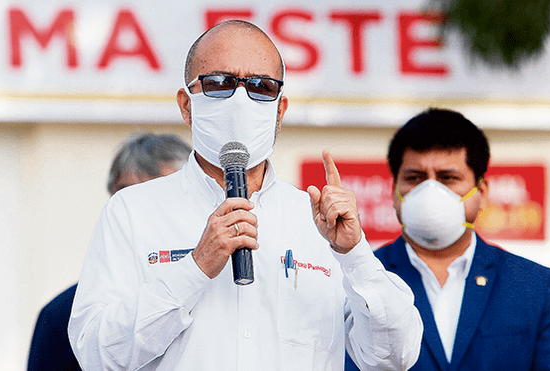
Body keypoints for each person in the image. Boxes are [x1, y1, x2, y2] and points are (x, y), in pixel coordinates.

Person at [68, 20, 422, 371]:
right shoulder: (132, 211)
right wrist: (194, 269)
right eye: (219, 83)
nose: (240, 100)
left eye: (261, 86)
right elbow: (97, 355)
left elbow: (394, 357)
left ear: (280, 110)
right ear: (186, 105)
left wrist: (354, 254)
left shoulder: (315, 222)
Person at [346, 107, 550, 370]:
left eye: (448, 178)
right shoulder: (360, 282)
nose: (430, 191)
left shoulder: (534, 286)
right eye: (414, 178)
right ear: (394, 191)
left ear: (482, 192)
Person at [27, 133, 192, 371]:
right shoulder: (61, 316)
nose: (142, 213)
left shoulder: (231, 293)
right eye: (128, 197)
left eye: (161, 194)